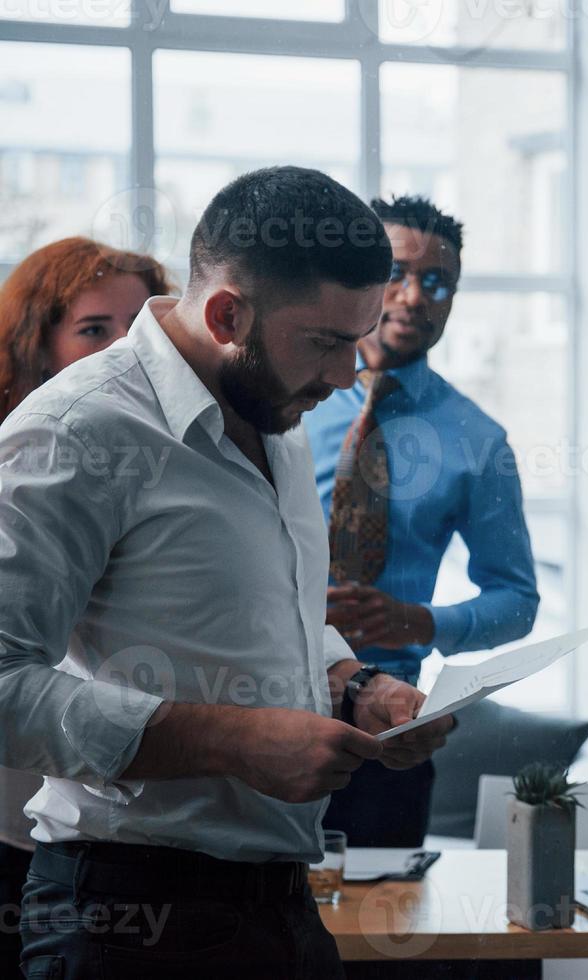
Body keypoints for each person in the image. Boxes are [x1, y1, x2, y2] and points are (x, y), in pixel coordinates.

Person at [0, 166, 454, 979]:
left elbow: (276, 614)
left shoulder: (275, 406)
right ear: (226, 315)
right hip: (126, 923)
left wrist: (355, 683)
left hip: (280, 910)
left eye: (357, 340)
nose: (346, 377)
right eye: (325, 343)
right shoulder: (77, 430)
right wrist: (231, 741)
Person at [305, 194, 539, 848]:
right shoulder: (285, 401)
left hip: (391, 730)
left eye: (437, 283)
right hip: (266, 705)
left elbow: (517, 601)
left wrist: (421, 622)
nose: (414, 297)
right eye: (396, 274)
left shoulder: (477, 439)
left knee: (386, 935)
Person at [0, 236, 174, 979]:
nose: (121, 350)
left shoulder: (165, 457)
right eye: (94, 329)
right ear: (37, 346)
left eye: (138, 330)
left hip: (108, 816)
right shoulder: (34, 453)